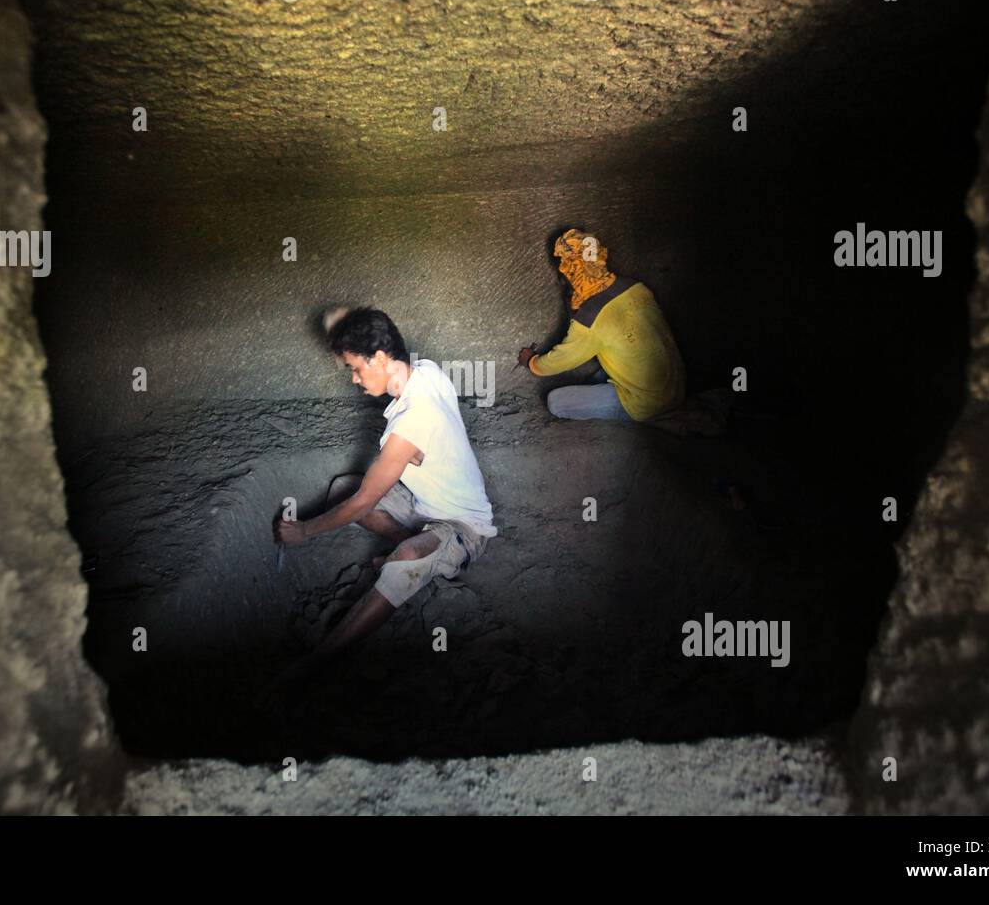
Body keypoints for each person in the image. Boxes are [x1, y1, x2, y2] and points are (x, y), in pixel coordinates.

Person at [260, 307, 497, 702]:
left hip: (464, 527)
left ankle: (316, 662)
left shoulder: (410, 425)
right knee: (344, 488)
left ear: (382, 359)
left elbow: (364, 502)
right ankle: (418, 545)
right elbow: (358, 497)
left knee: (399, 549)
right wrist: (348, 325)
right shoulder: (424, 372)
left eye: (355, 368)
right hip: (426, 503)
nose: (354, 379)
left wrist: (304, 531)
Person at [518, 228, 687, 422]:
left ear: (569, 268)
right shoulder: (635, 286)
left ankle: (637, 415)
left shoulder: (591, 316)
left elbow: (556, 363)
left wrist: (531, 361)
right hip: (676, 387)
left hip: (647, 403)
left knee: (557, 401)